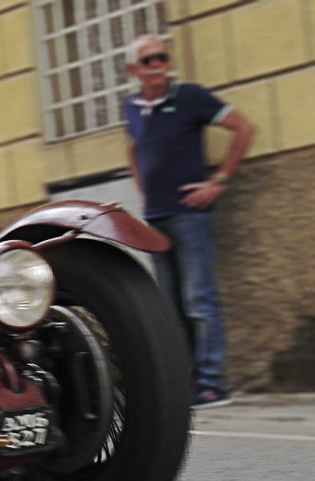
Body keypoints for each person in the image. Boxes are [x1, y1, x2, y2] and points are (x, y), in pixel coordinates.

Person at [123, 35, 254, 409]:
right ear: (135, 70)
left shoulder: (191, 97)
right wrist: (143, 193)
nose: (158, 64)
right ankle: (186, 383)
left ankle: (212, 384)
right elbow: (133, 149)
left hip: (190, 216)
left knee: (200, 300)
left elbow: (243, 129)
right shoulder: (131, 107)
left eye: (162, 57)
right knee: (171, 305)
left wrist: (219, 182)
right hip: (155, 219)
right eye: (149, 60)